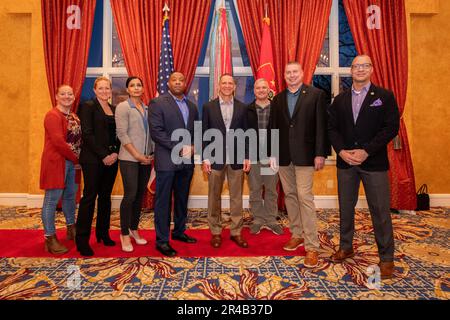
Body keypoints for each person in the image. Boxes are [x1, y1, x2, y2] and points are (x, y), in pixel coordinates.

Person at [328, 55, 400, 279]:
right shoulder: (339, 100)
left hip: (374, 163)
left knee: (380, 211)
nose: (360, 69)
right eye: (356, 66)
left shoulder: (384, 97)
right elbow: (331, 129)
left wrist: (366, 151)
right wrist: (341, 151)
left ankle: (386, 258)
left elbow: (390, 128)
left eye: (364, 65)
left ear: (371, 69)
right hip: (346, 162)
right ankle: (346, 246)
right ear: (350, 71)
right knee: (345, 208)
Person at [269, 62, 328, 268]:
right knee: (291, 196)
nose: (292, 75)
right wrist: (272, 153)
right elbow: (273, 128)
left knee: (304, 197)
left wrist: (320, 153)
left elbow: (322, 125)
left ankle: (312, 245)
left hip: (306, 156)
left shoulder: (316, 95)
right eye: (288, 72)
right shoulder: (277, 99)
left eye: (295, 72)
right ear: (284, 75)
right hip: (284, 157)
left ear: (302, 74)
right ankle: (297, 234)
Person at [149, 72, 199, 257]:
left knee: (181, 199)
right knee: (163, 202)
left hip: (186, 162)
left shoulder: (192, 106)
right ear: (168, 83)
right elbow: (157, 132)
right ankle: (162, 241)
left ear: (186, 83)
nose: (178, 82)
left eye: (181, 79)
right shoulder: (158, 103)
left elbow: (196, 131)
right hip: (167, 161)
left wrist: (194, 146)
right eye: (174, 80)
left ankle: (179, 232)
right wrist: (179, 148)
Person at [202, 74, 251, 249]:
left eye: (230, 83)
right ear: (218, 86)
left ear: (234, 87)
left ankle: (236, 232)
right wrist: (205, 157)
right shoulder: (208, 107)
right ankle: (216, 232)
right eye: (224, 83)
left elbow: (246, 134)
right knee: (213, 197)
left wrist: (247, 156)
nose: (227, 86)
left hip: (237, 159)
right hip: (215, 158)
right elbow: (204, 133)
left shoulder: (242, 107)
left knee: (236, 198)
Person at [75, 77, 120, 256]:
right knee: (89, 198)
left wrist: (115, 153)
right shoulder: (88, 106)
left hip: (112, 159)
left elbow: (119, 134)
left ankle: (103, 233)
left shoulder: (115, 109)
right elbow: (87, 134)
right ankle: (82, 240)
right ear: (94, 90)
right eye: (100, 88)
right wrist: (104, 155)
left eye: (107, 88)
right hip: (93, 160)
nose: (104, 91)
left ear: (110, 90)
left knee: (105, 198)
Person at [40, 84, 81, 254]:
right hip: (57, 162)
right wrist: (76, 159)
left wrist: (77, 160)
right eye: (63, 94)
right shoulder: (52, 115)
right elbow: (58, 142)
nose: (67, 96)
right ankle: (50, 238)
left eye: (70, 94)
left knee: (70, 197)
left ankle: (71, 228)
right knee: (52, 199)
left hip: (72, 163)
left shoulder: (72, 115)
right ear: (56, 96)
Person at [115, 76, 153, 252]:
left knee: (139, 196)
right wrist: (138, 155)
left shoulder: (146, 108)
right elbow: (122, 135)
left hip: (145, 159)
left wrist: (150, 154)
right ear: (128, 89)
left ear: (143, 89)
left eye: (139, 85)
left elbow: (149, 135)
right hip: (129, 159)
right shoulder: (123, 107)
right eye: (132, 85)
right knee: (129, 195)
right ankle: (124, 234)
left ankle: (134, 229)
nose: (136, 88)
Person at [247, 78, 283, 235]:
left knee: (270, 189)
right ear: (254, 91)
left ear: (268, 90)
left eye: (264, 87)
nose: (261, 90)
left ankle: (270, 219)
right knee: (255, 189)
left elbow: (281, 132)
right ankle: (257, 219)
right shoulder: (247, 110)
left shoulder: (277, 108)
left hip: (271, 157)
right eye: (258, 88)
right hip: (254, 156)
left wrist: (275, 153)